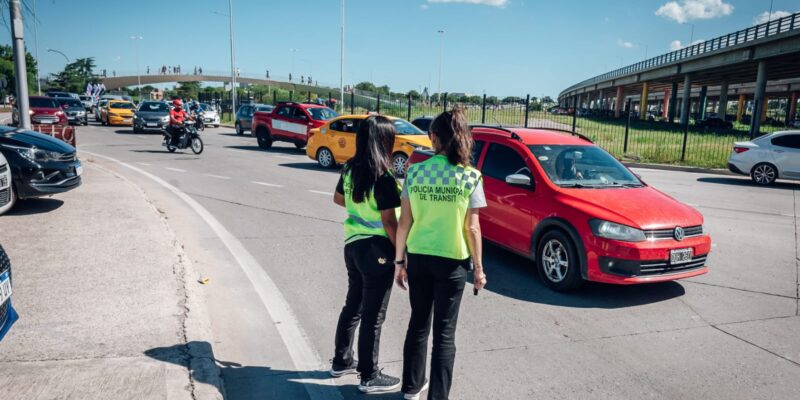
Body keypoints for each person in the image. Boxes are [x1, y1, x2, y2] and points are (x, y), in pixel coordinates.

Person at [394, 108, 487, 400]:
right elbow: (472, 229)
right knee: (444, 335)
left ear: (434, 137)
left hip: (419, 257)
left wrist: (399, 261)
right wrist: (479, 269)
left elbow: (404, 222)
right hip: (452, 264)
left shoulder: (416, 171)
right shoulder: (470, 177)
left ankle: (410, 388)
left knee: (418, 324)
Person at [330, 116, 403, 394]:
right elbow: (389, 222)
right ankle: (369, 376)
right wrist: (401, 256)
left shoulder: (350, 168)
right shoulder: (383, 177)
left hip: (352, 246)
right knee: (373, 315)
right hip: (377, 251)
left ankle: (342, 360)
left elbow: (338, 199)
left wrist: (358, 205)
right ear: (384, 142)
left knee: (354, 305)